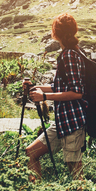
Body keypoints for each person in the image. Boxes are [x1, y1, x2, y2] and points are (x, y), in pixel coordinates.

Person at [25, 13, 86, 180]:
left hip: (72, 123)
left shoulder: (69, 55)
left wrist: (44, 97)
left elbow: (76, 92)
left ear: (55, 32)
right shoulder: (71, 52)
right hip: (62, 122)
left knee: (76, 174)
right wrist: (36, 88)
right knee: (31, 153)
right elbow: (60, 87)